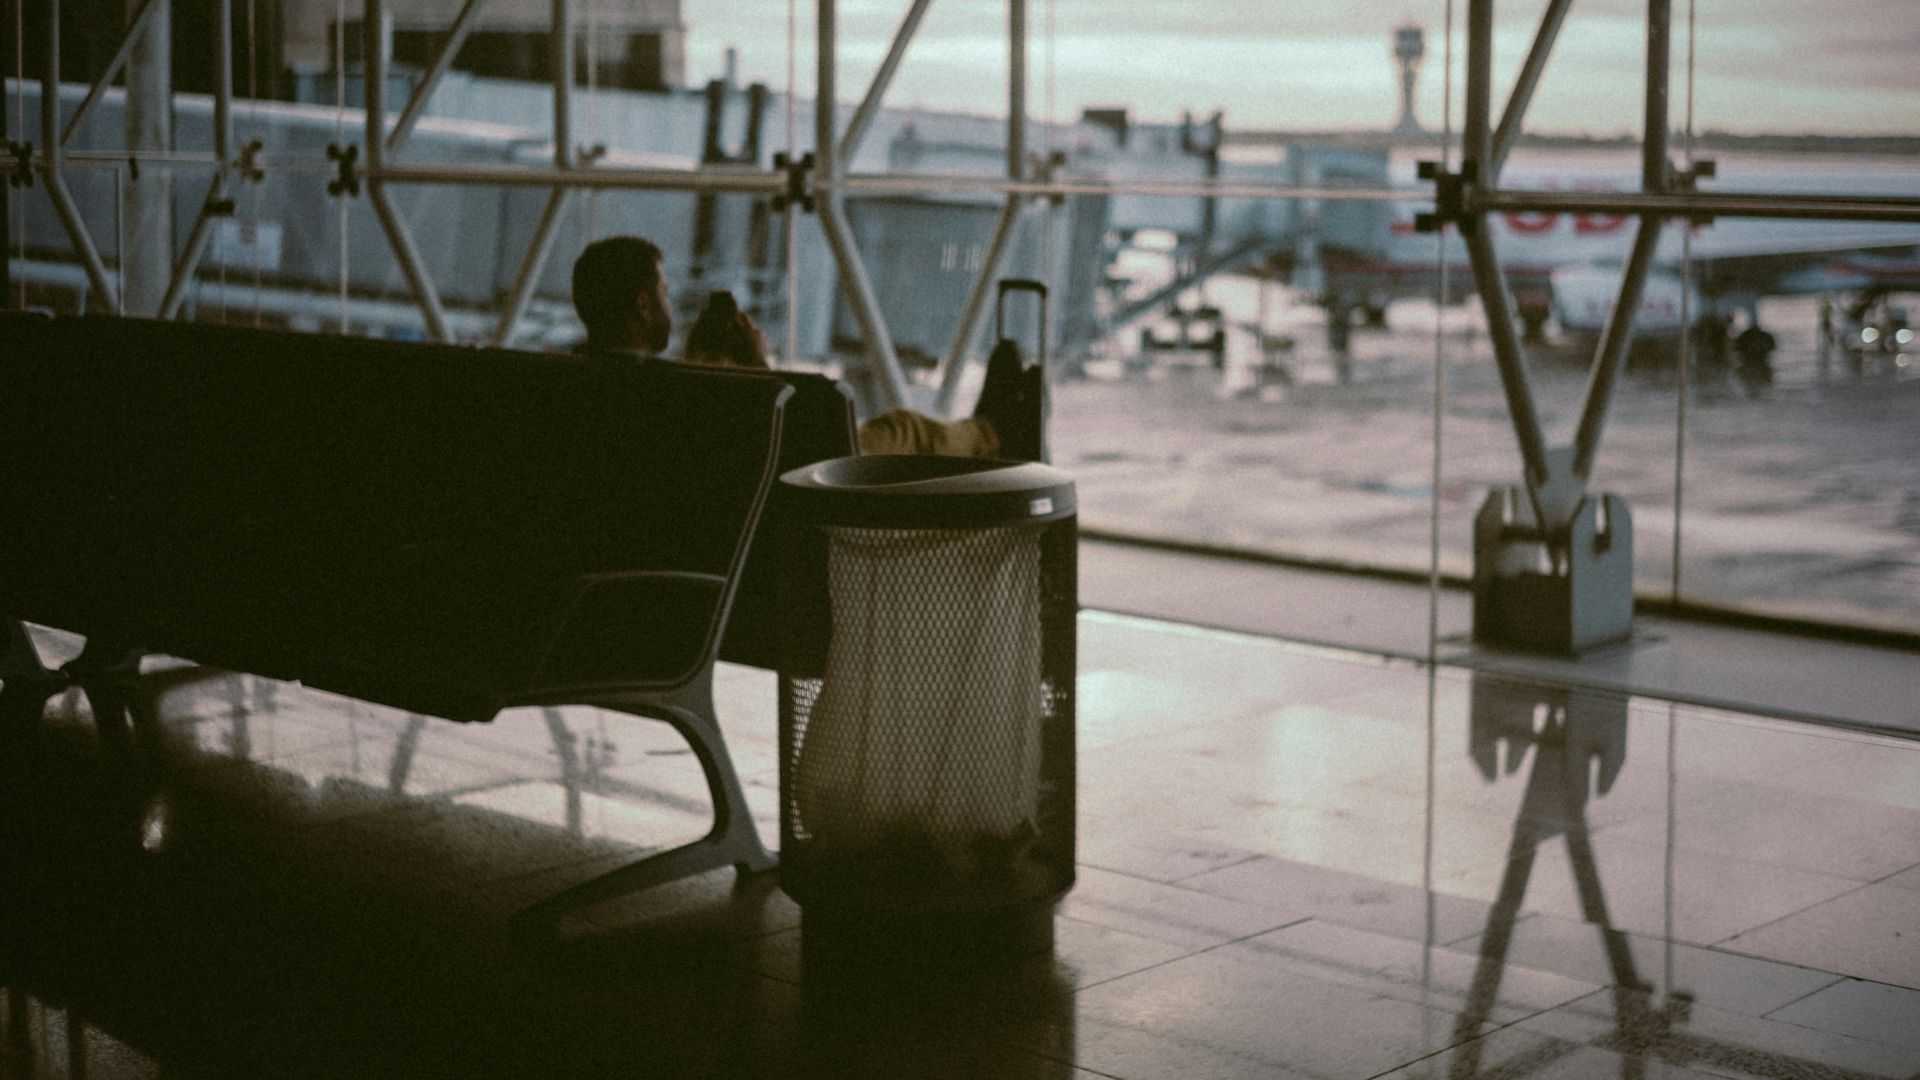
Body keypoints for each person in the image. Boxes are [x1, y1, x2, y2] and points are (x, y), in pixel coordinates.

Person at [571, 236, 1040, 460]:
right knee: (903, 428)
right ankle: (996, 435)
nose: (671, 303)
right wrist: (757, 365)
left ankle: (990, 430)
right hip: (790, 486)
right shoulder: (662, 390)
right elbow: (770, 438)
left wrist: (699, 368)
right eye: (665, 293)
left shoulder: (577, 382)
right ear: (643, 306)